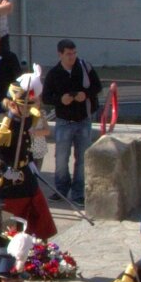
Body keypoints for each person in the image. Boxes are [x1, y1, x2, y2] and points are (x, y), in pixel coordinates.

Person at [0, 68, 56, 240]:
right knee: (10, 228)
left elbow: (25, 145)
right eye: (24, 106)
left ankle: (39, 250)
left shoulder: (26, 119)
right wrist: (3, 169)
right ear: (12, 105)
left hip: (26, 175)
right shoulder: (4, 128)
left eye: (30, 105)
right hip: (9, 182)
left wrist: (29, 162)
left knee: (39, 214)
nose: (29, 109)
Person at [42, 39, 102, 203]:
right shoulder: (54, 73)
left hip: (83, 119)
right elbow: (46, 97)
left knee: (82, 159)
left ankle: (78, 193)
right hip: (64, 121)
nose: (72, 57)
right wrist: (61, 99)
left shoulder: (84, 67)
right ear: (60, 54)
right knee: (61, 159)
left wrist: (85, 94)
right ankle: (61, 190)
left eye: (74, 53)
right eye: (68, 54)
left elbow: (97, 86)